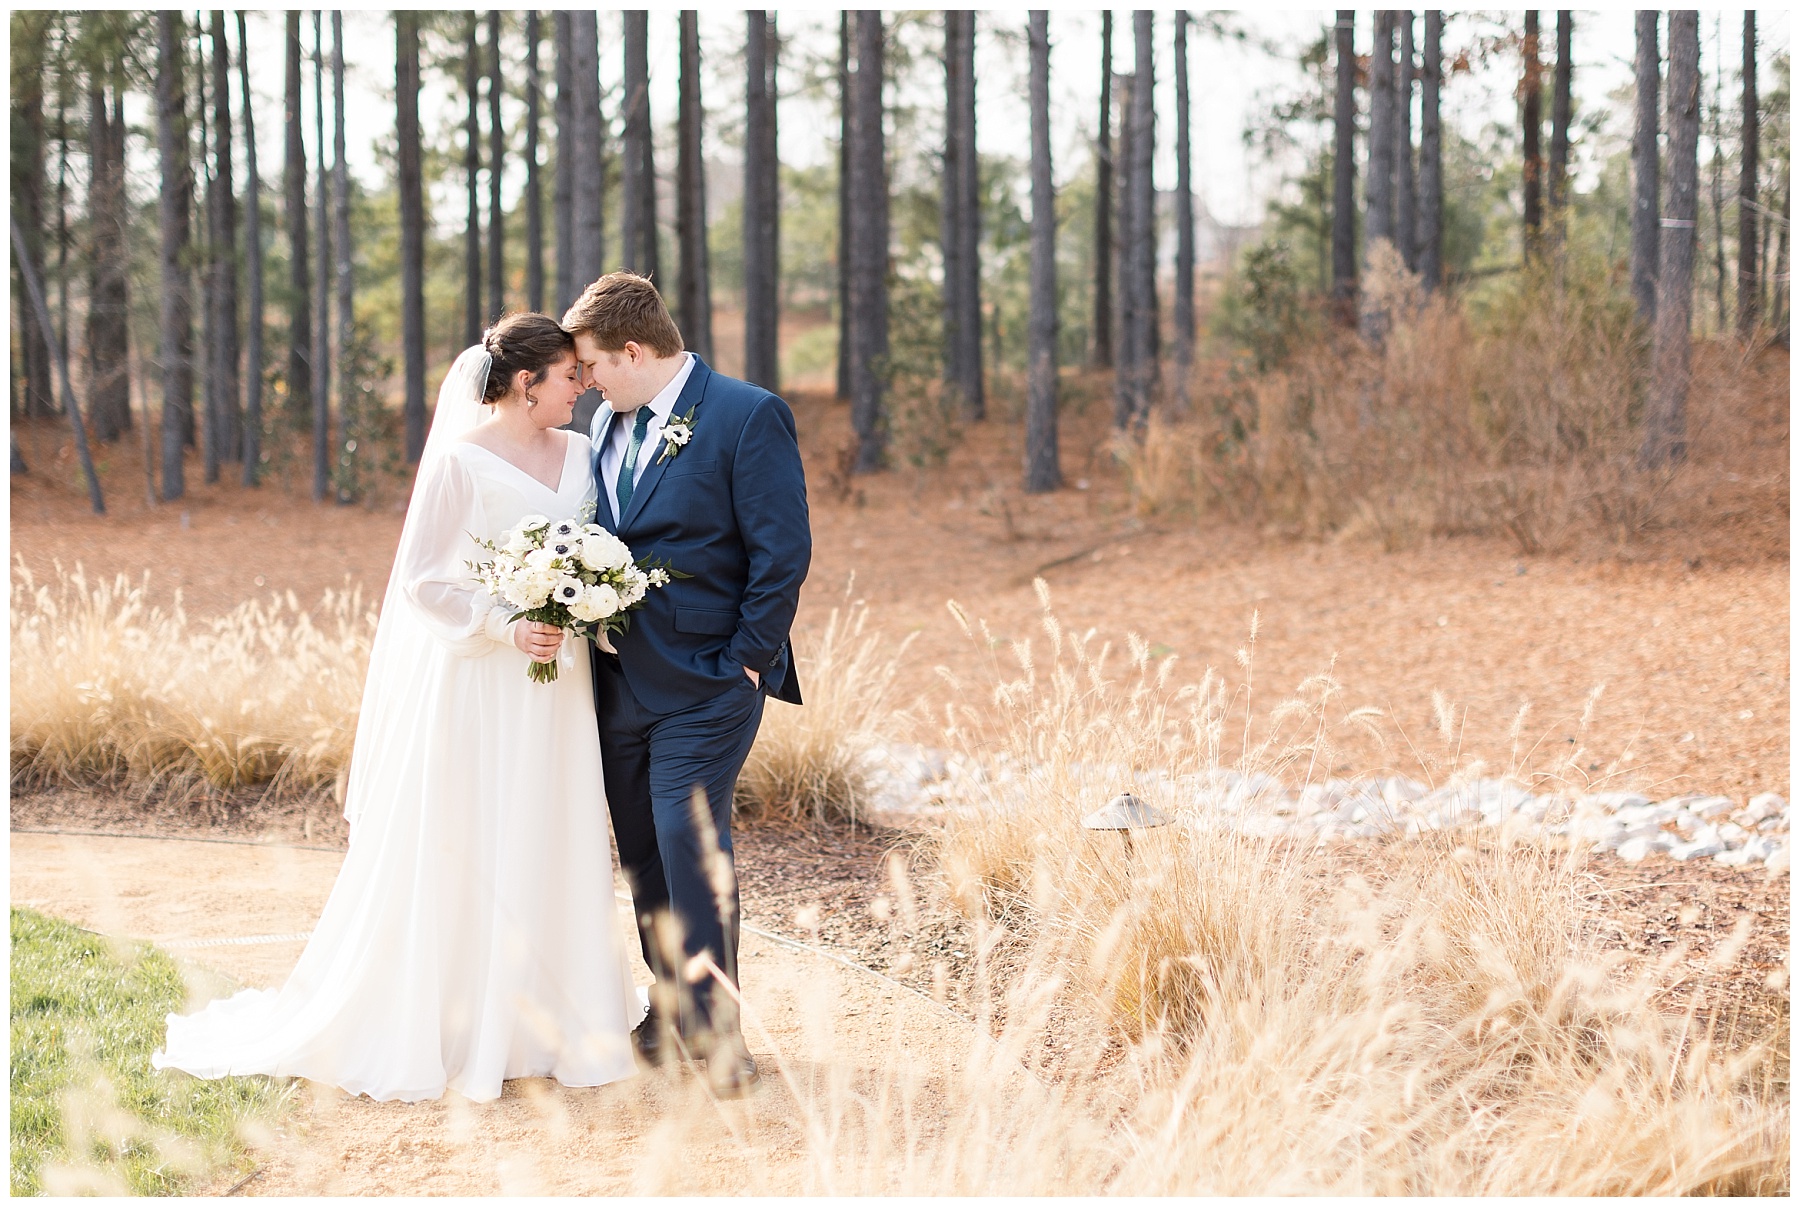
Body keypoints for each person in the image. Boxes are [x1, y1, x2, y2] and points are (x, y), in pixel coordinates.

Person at [154, 315, 642, 1103]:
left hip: (560, 685)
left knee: (552, 825)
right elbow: (420, 579)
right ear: (526, 384)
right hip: (485, 680)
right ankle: (461, 1020)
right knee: (476, 832)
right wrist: (502, 620)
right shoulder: (459, 462)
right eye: (567, 376)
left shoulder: (585, 454)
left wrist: (588, 598)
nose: (581, 386)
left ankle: (554, 1016)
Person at [565, 273, 810, 1097]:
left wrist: (747, 657)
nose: (586, 382)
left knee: (689, 847)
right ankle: (671, 1005)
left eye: (594, 364)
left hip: (708, 684)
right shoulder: (606, 422)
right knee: (642, 854)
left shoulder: (747, 415)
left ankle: (721, 1028)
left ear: (634, 351)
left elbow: (783, 552)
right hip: (616, 682)